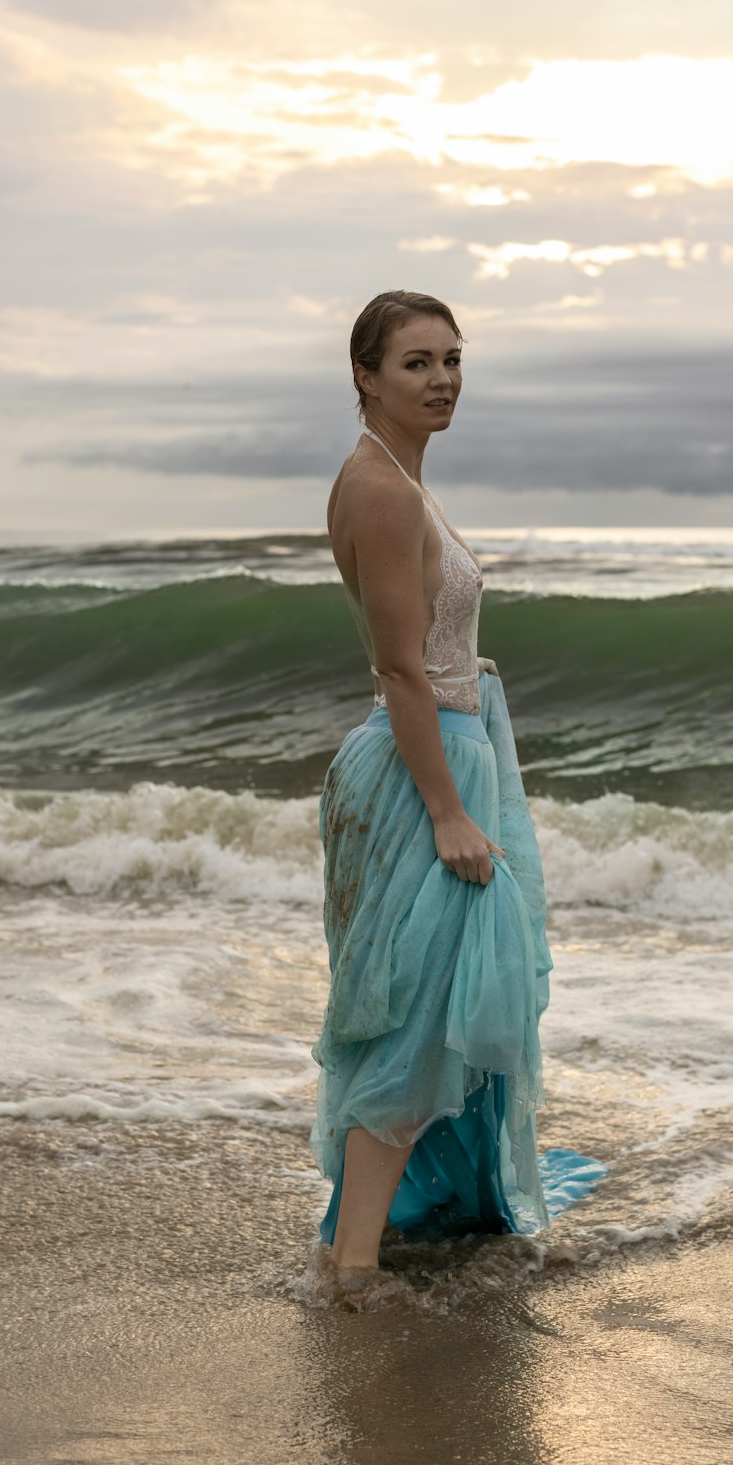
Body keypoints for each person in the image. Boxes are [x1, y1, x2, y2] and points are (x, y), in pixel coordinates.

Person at [311, 289, 604, 1275]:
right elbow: (399, 669)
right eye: (415, 363)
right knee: (418, 1024)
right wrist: (448, 811)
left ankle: (372, 1240)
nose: (442, 380)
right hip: (417, 769)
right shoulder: (384, 488)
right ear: (366, 376)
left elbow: (421, 648)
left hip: (428, 745)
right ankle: (351, 1274)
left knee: (421, 1013)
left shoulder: (390, 473)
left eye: (452, 359)